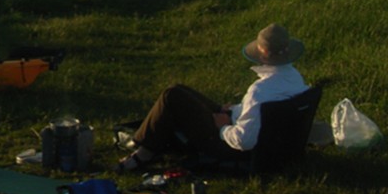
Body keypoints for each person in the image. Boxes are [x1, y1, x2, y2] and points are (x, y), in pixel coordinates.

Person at [118, 23, 308, 171]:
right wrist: (234, 111)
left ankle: (144, 149)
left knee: (172, 96)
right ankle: (147, 141)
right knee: (179, 90)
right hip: (273, 143)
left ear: (263, 54)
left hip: (233, 148)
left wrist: (223, 127)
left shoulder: (259, 90)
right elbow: (263, 111)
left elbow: (245, 141)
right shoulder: (294, 77)